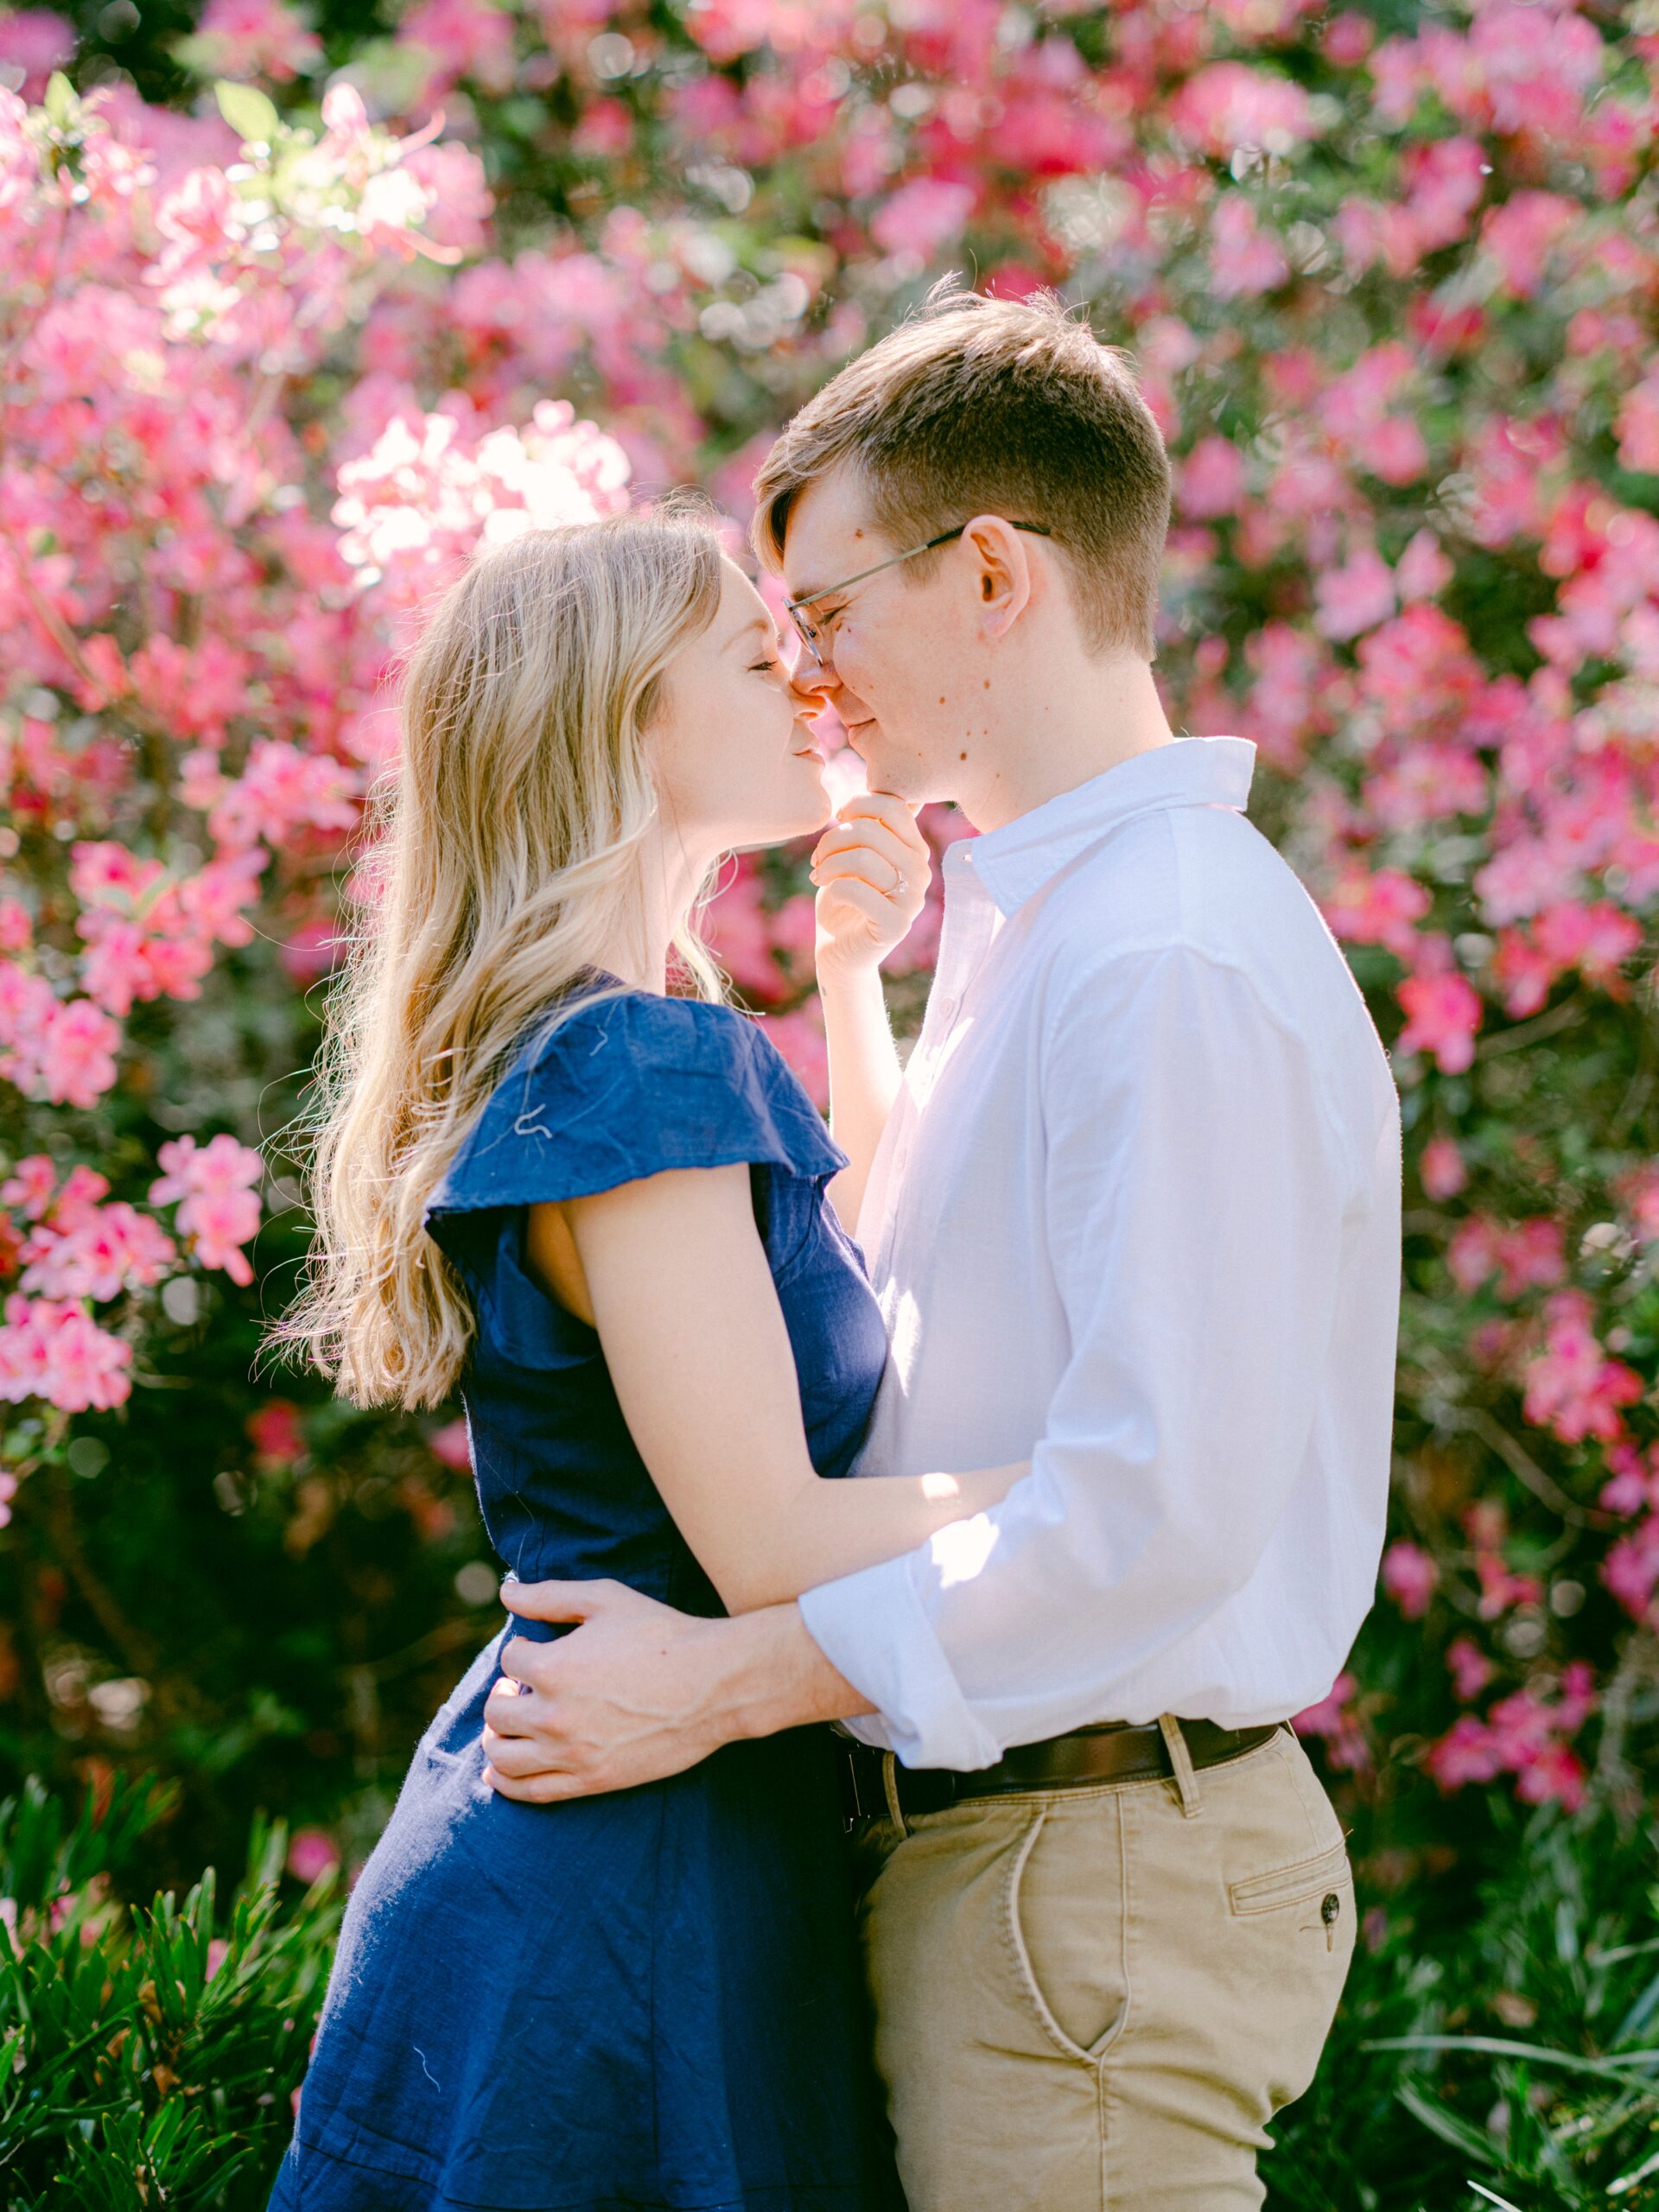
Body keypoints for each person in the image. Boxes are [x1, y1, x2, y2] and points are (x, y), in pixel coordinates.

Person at [483, 287, 1404, 2210]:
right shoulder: (1042, 930)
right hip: (1034, 1860)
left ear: (992, 573)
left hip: (1091, 1866)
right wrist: (854, 987)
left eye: (824, 614)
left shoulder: (1158, 951)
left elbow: (1155, 1506)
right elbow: (908, 1371)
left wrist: (726, 1680)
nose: (808, 679)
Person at [264, 503, 1025, 2212]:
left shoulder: (615, 1051)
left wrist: (849, 989)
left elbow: (851, 1317)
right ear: (623, 715)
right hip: (630, 1893)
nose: (812, 685)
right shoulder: (636, 1065)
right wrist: (1105, 1478)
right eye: (760, 658)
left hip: (624, 1825)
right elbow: (770, 1530)